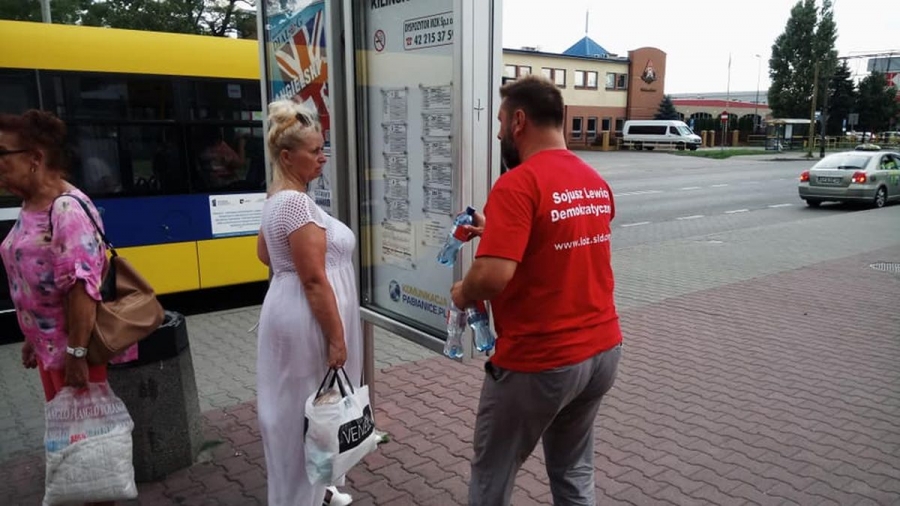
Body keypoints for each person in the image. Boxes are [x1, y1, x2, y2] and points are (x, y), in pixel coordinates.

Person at [451, 75, 623, 506]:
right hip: (602, 351)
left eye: (500, 121)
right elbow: (561, 238)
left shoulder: (518, 183)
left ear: (519, 121)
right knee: (573, 469)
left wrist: (463, 292)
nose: (498, 134)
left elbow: (492, 277)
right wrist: (498, 232)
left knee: (492, 473)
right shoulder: (593, 180)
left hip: (541, 359)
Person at [0, 109, 135, 506]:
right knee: (73, 447)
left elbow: (81, 290)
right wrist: (32, 335)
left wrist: (76, 353)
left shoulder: (65, 209)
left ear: (35, 157)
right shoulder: (32, 205)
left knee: (91, 452)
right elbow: (34, 281)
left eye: (2, 154)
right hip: (52, 352)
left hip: (75, 353)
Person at [255, 100, 360, 506]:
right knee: (309, 409)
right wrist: (337, 338)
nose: (322, 156)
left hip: (287, 308)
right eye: (315, 150)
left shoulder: (278, 198)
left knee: (298, 406)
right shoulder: (296, 203)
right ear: (287, 157)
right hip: (307, 318)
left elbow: (265, 255)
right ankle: (301, 496)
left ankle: (317, 490)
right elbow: (314, 280)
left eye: (322, 148)